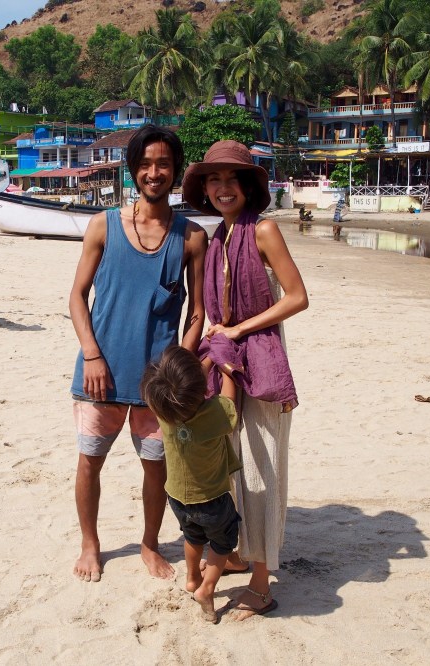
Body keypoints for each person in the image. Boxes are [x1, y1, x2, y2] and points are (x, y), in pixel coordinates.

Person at [69, 124, 208, 583]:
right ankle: (90, 544)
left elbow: (197, 311)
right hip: (101, 375)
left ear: (176, 170)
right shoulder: (103, 226)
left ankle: (149, 544)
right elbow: (77, 297)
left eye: (163, 164)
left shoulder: (191, 238)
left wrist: (179, 369)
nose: (154, 172)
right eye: (145, 164)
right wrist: (92, 354)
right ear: (133, 170)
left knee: (156, 468)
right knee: (90, 461)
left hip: (159, 383)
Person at [182, 140, 309, 619]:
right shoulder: (219, 236)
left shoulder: (263, 230)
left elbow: (296, 297)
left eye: (231, 179)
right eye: (214, 180)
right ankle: (236, 553)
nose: (222, 188)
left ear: (248, 186)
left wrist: (238, 329)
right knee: (232, 466)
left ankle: (261, 583)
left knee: (262, 467)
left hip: (262, 362)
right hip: (228, 362)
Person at [140, 345, 241, 623]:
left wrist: (206, 361)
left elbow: (184, 388)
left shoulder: (164, 411)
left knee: (193, 537)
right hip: (212, 498)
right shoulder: (215, 414)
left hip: (177, 497)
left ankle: (192, 577)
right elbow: (230, 401)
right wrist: (225, 366)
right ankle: (206, 588)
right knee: (223, 541)